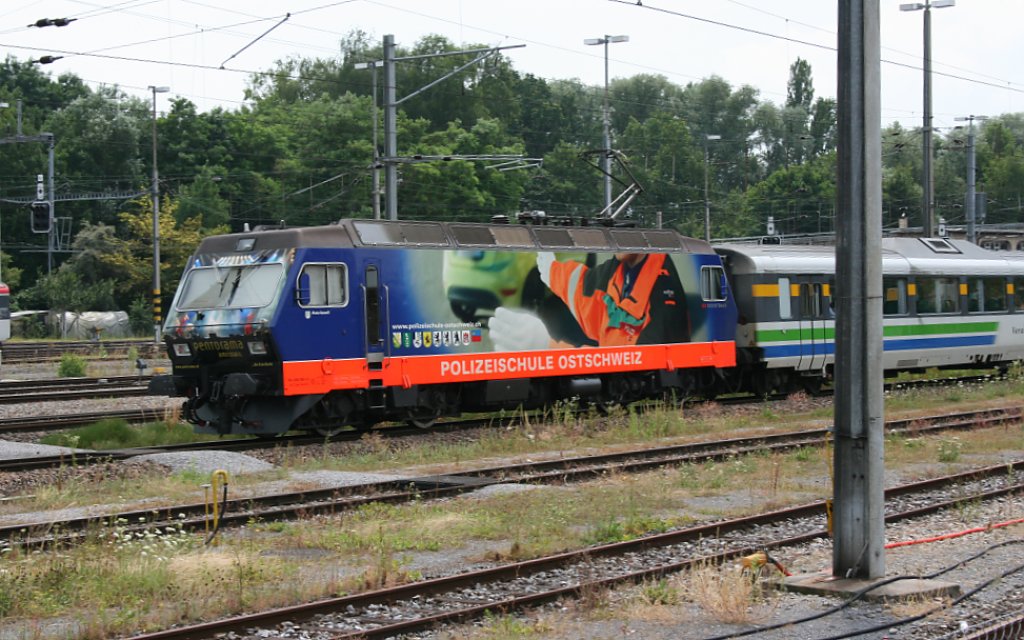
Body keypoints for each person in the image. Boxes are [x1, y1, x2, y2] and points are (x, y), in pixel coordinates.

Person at [488, 251, 690, 350]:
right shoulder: (617, 269)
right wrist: (551, 271)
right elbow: (583, 287)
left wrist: (545, 345)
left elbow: (626, 360)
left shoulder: (664, 287)